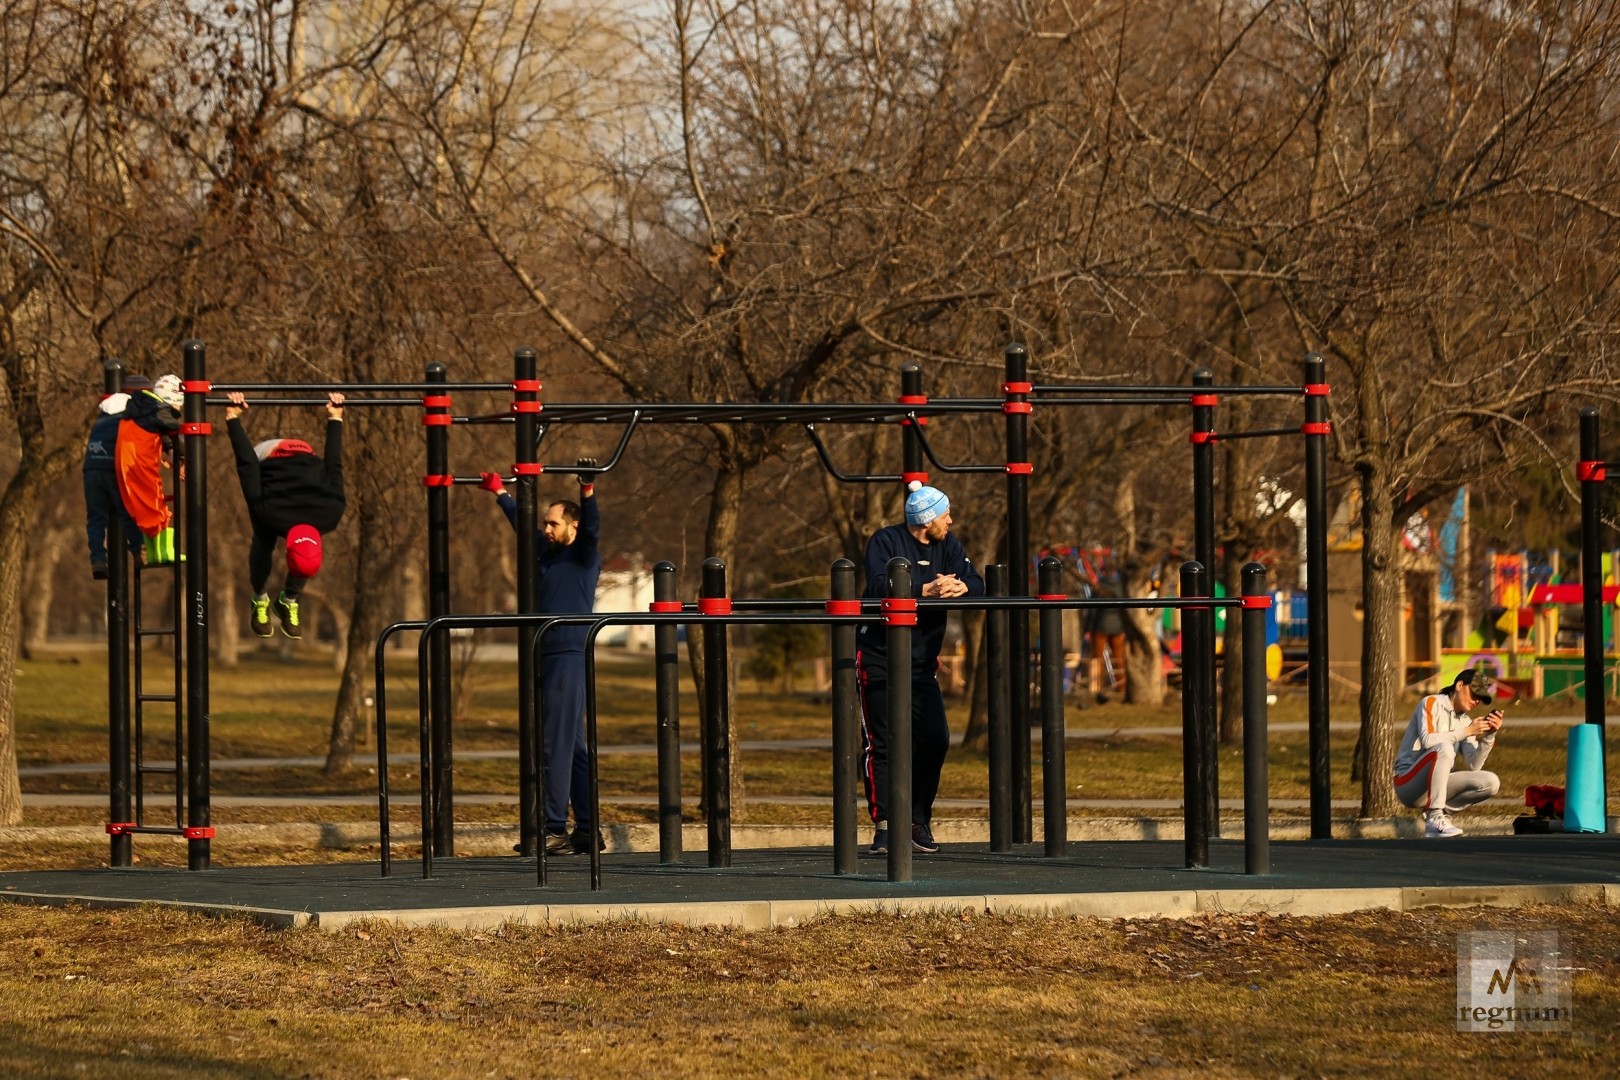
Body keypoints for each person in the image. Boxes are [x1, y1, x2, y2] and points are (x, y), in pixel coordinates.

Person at [480, 459, 601, 856]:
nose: (546, 529)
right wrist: (501, 493)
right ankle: (586, 829)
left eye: (554, 523)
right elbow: (521, 523)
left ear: (573, 526)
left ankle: (552, 827)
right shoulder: (545, 551)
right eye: (546, 523)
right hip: (548, 653)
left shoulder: (582, 554)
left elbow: (594, 527)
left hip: (567, 653)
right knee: (575, 745)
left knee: (555, 744)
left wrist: (587, 490)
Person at [856, 480, 983, 855]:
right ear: (927, 519)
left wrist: (963, 588)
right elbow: (880, 584)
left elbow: (975, 579)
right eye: (946, 514)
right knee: (882, 742)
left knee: (934, 738)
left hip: (921, 662)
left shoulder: (949, 546)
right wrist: (923, 590)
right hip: (879, 655)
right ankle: (885, 825)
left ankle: (915, 818)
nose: (952, 520)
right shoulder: (886, 541)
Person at [224, 391, 346, 640]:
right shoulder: (268, 511)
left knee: (297, 553)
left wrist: (335, 419)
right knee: (263, 538)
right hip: (270, 454)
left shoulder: (331, 512)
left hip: (305, 454)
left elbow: (333, 464)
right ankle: (259, 597)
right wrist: (232, 420)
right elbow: (248, 463)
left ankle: (288, 600)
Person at [1393, 668, 1504, 837]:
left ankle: (1441, 815)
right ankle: (1435, 816)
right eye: (1474, 694)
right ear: (1459, 685)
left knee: (1491, 782)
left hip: (1436, 787)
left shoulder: (1466, 721)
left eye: (1480, 698)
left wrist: (1490, 735)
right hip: (1408, 783)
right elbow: (1428, 740)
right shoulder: (1431, 703)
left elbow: (1474, 765)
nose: (1476, 701)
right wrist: (1467, 731)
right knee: (1443, 747)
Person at [85, 374, 151, 579]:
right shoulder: (134, 409)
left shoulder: (104, 410)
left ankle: (97, 559)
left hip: (92, 467)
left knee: (96, 518)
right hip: (114, 466)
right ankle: (139, 549)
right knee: (126, 511)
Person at [114, 373, 184, 565]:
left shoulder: (144, 408)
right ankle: (165, 551)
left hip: (126, 463)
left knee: (141, 506)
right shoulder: (159, 410)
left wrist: (169, 449)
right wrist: (184, 454)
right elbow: (174, 430)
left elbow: (162, 431)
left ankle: (154, 553)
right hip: (139, 462)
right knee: (153, 503)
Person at [1085, 563, 1128, 699]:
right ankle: (1121, 686)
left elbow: (1092, 610)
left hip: (1100, 626)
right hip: (1118, 627)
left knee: (1097, 658)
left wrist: (1088, 629)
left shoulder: (1099, 587)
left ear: (1103, 572)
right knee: (1119, 658)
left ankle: (1097, 686)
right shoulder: (1122, 586)